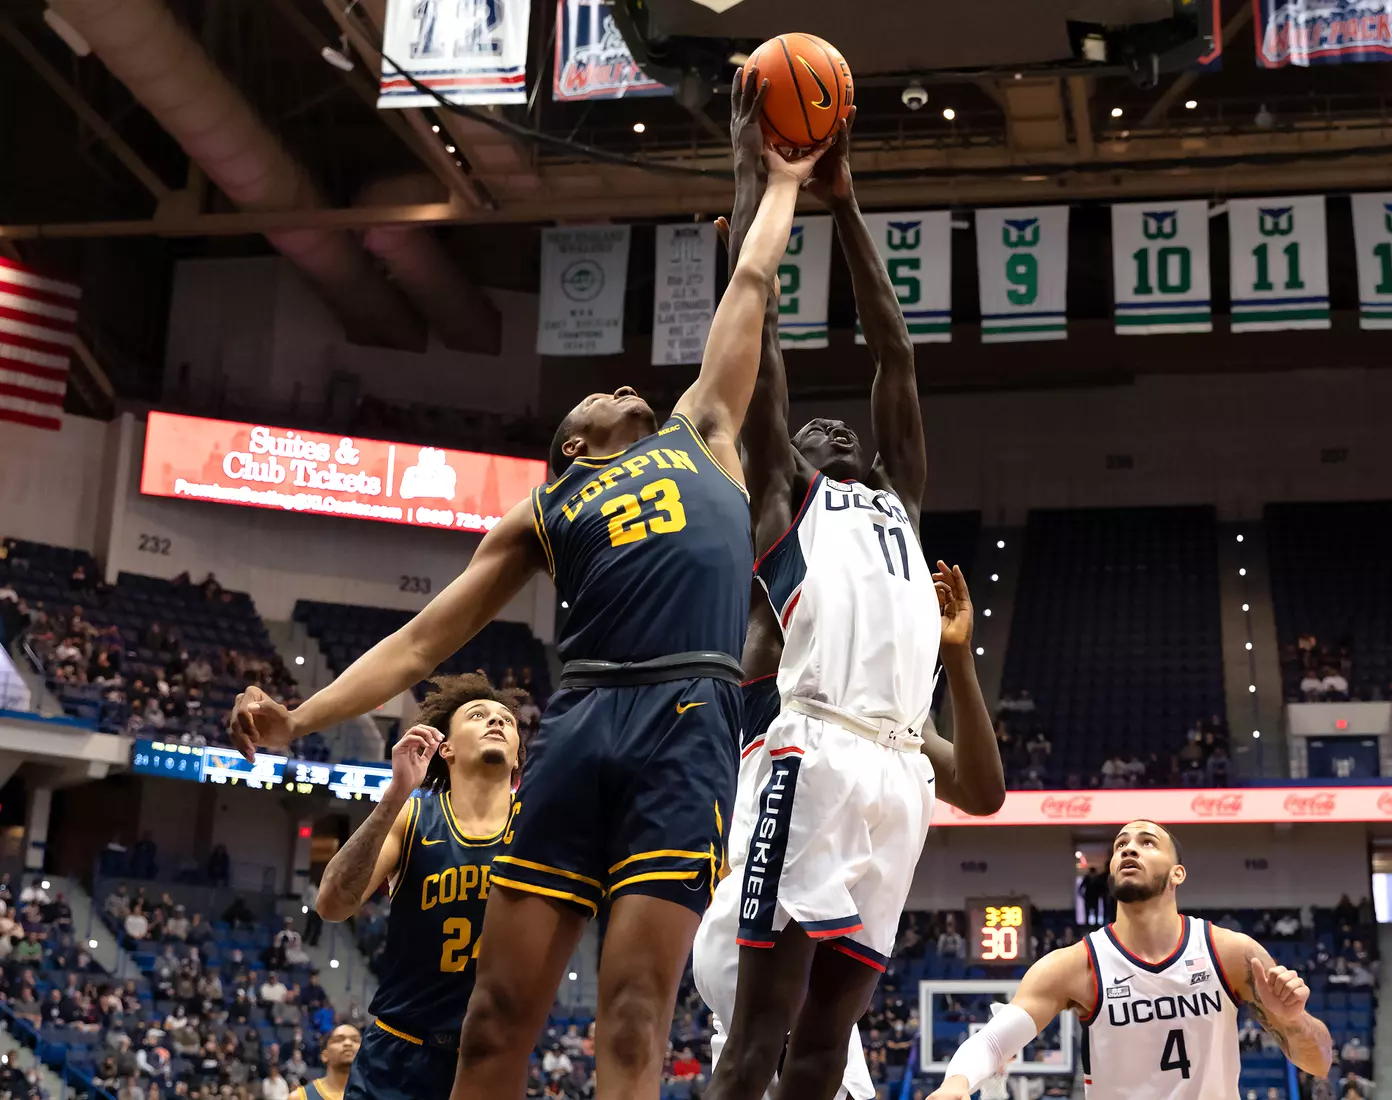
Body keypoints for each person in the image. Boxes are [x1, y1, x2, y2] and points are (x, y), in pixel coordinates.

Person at [228, 70, 830, 1100]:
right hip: (585, 716)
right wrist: (298, 718)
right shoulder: (542, 509)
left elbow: (750, 290)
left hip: (686, 712)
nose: (626, 383)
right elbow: (419, 645)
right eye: (603, 393)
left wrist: (783, 181)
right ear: (570, 445)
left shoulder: (708, 431)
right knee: (495, 1020)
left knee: (635, 1015)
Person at [695, 98, 1001, 1100]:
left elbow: (896, 357)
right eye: (812, 431)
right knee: (762, 1031)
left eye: (847, 429)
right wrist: (760, 192)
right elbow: (763, 354)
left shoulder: (899, 508)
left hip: (899, 771)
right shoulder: (785, 498)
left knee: (827, 1050)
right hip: (813, 749)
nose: (832, 428)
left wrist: (851, 199)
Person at [925, 821, 1331, 1100]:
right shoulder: (1074, 966)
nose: (1129, 848)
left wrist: (1294, 1021)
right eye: (1120, 844)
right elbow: (996, 1040)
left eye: (1147, 842)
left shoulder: (1231, 953)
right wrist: (956, 1083)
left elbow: (1319, 1063)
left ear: (1177, 874)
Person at [311, 674, 524, 1100]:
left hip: (491, 1055)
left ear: (518, 756)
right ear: (445, 748)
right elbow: (331, 905)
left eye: (507, 720)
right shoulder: (413, 816)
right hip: (399, 1051)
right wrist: (395, 793)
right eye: (478, 715)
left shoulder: (538, 827)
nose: (496, 722)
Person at [287, 1025, 361, 1100]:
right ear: (324, 1055)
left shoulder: (372, 1093)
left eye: (355, 1040)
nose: (348, 1043)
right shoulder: (300, 1097)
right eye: (339, 1040)